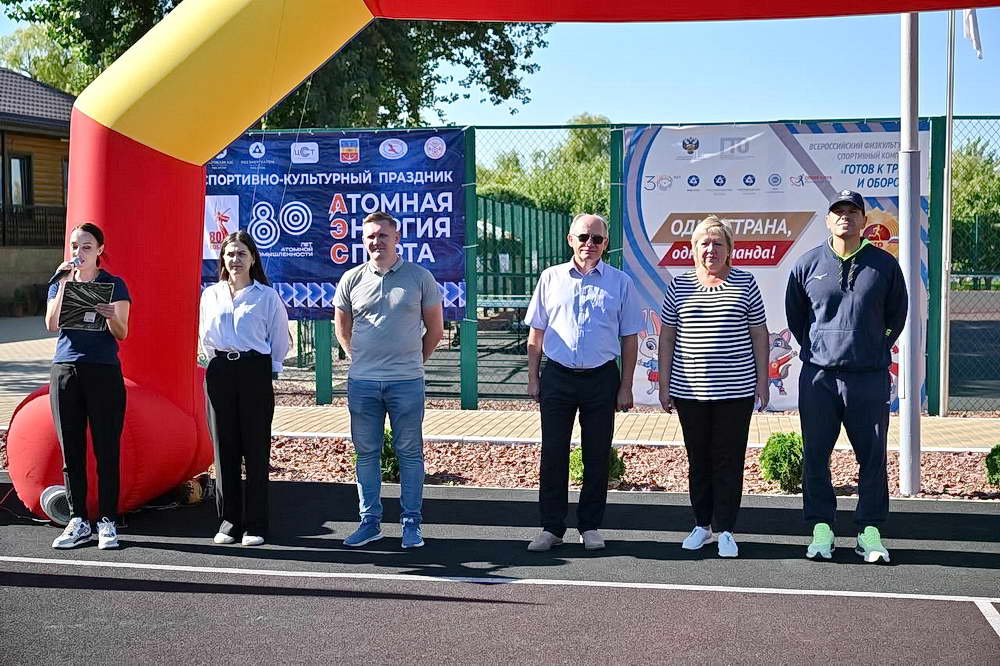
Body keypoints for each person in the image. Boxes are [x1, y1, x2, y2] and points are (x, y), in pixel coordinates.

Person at [785, 190, 907, 563]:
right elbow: (797, 318)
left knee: (872, 456)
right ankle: (822, 527)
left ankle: (869, 531)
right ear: (828, 220)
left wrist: (870, 346)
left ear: (863, 221)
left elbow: (897, 315)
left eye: (853, 211)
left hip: (868, 377)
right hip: (819, 378)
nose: (845, 217)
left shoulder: (884, 265)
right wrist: (821, 347)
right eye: (838, 211)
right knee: (816, 454)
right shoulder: (806, 264)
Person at [524, 213, 643, 552]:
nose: (589, 244)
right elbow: (536, 332)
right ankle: (551, 528)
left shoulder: (621, 283)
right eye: (583, 237)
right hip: (558, 376)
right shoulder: (550, 278)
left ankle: (590, 526)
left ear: (606, 244)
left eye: (597, 239)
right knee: (553, 453)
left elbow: (629, 338)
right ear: (570, 240)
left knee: (597, 454)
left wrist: (626, 386)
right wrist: (533, 378)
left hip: (601, 378)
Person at [657, 216, 769, 558]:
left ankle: (726, 530)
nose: (711, 249)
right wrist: (664, 384)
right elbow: (667, 337)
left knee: (729, 460)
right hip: (690, 392)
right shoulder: (679, 286)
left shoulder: (745, 283)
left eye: (718, 243)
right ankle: (702, 525)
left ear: (730, 249)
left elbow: (759, 334)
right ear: (693, 249)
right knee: (698, 459)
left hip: (735, 392)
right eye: (704, 243)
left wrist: (763, 381)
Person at [334, 211, 444, 549]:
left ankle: (411, 524)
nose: (376, 241)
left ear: (397, 238)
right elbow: (342, 329)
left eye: (383, 235)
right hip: (363, 383)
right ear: (363, 240)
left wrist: (411, 362)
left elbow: (435, 330)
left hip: (406, 383)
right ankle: (370, 523)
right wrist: (361, 360)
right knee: (366, 454)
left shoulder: (420, 277)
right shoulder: (351, 279)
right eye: (370, 236)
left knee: (409, 453)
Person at [199, 230, 289, 547]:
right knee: (224, 449)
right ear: (222, 259)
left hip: (254, 372)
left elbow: (280, 338)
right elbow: (205, 336)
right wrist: (216, 363)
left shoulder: (266, 296)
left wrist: (269, 370)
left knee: (255, 448)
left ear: (252, 259)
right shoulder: (211, 295)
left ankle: (255, 524)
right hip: (220, 371)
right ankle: (229, 522)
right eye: (230, 254)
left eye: (241, 253)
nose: (235, 259)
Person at [45, 222, 131, 550]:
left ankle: (107, 520)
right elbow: (51, 324)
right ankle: (77, 519)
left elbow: (122, 332)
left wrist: (110, 316)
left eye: (86, 247)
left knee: (106, 449)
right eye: (74, 246)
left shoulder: (114, 284)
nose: (78, 252)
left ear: (99, 251)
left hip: (103, 371)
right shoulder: (61, 281)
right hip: (65, 369)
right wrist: (64, 283)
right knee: (72, 449)